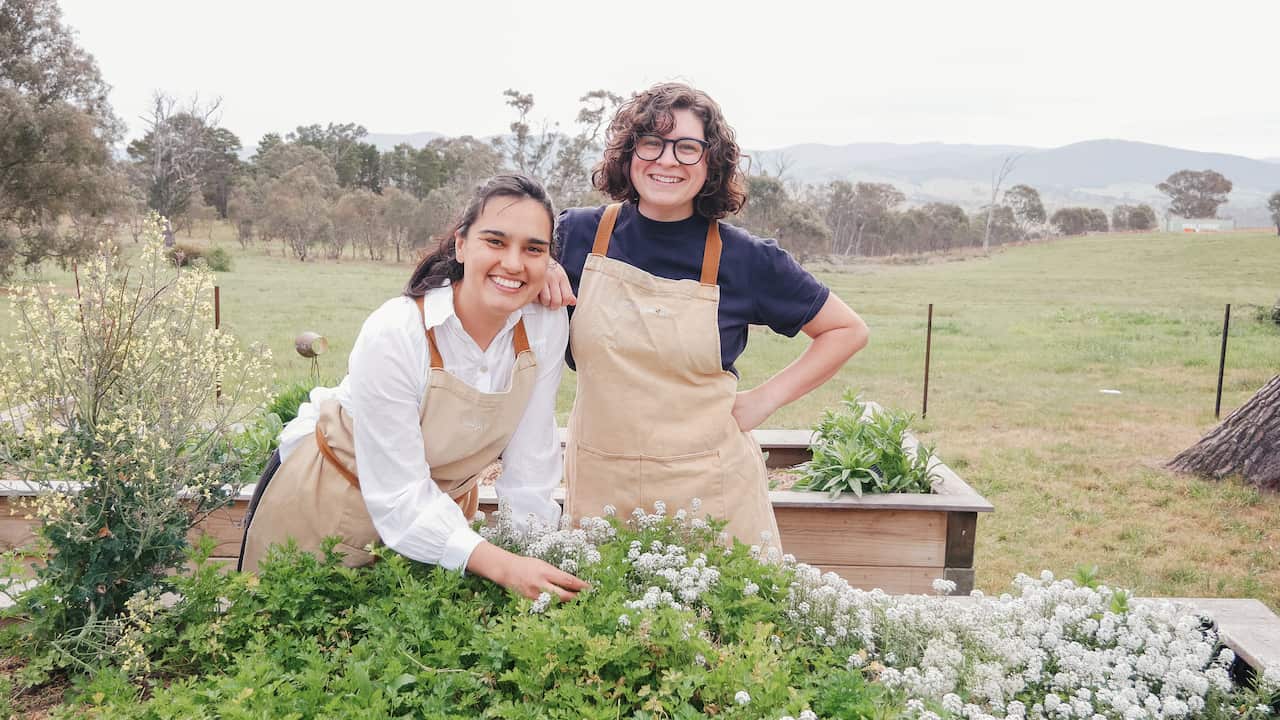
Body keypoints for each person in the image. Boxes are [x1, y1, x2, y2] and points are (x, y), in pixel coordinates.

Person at [545, 83, 869, 551]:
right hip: (601, 486)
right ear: (629, 152)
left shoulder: (747, 259)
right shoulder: (577, 234)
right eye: (652, 142)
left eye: (688, 148)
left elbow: (846, 330)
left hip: (712, 494)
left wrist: (763, 401)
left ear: (712, 162)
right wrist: (543, 266)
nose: (667, 160)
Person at [240, 174, 587, 602]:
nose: (514, 264)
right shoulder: (396, 331)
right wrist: (504, 565)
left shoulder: (544, 323)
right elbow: (400, 496)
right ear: (461, 245)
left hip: (443, 522)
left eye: (533, 249)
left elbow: (532, 457)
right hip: (330, 502)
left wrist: (533, 556)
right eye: (495, 242)